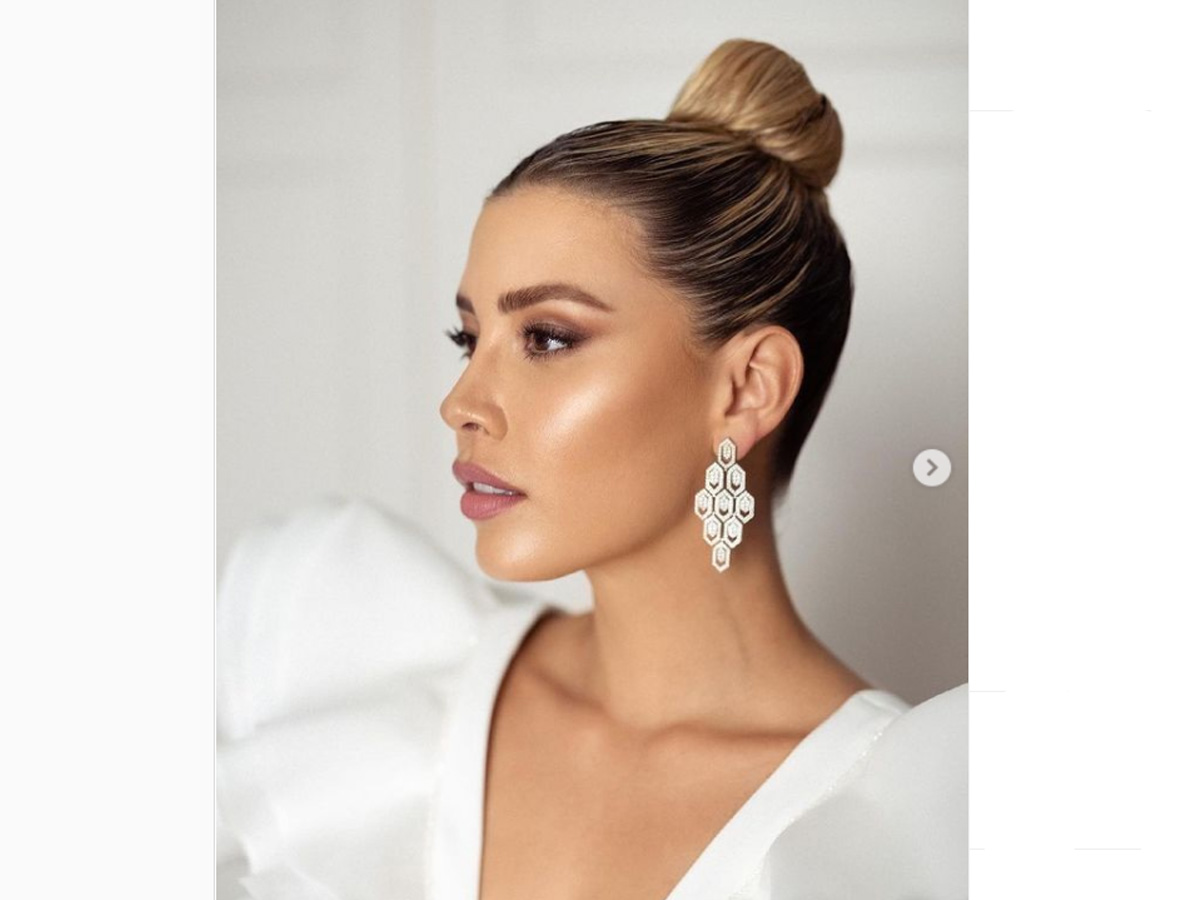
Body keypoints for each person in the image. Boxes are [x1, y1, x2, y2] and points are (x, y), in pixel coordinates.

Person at [215, 38, 966, 900]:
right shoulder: (353, 673)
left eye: (546, 338)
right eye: (469, 339)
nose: (461, 403)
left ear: (748, 388)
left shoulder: (903, 832)